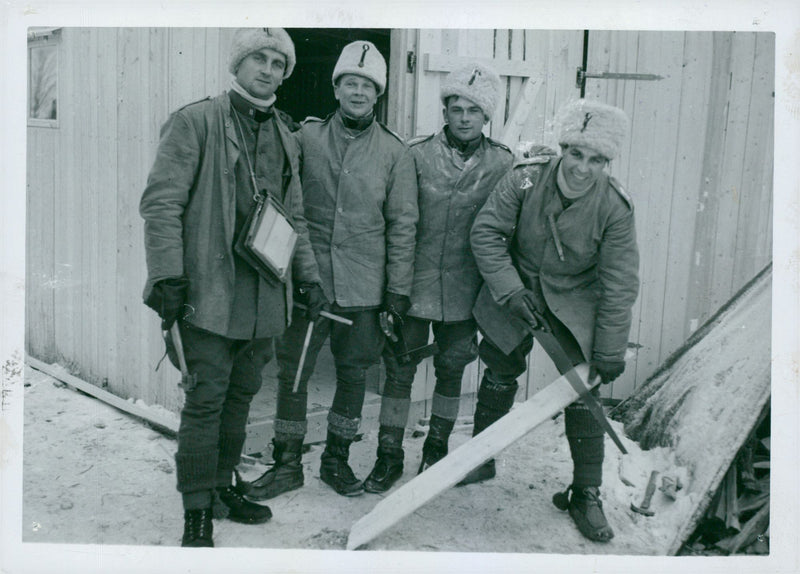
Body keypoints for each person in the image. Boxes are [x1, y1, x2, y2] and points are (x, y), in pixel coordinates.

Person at [140, 28, 325, 547]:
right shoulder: (194, 122)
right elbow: (161, 205)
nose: (268, 70)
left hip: (266, 295)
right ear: (238, 64)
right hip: (209, 293)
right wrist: (167, 276)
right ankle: (197, 509)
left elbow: (297, 218)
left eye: (277, 64)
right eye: (258, 59)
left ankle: (223, 486)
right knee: (205, 399)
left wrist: (308, 277)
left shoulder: (288, 137)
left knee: (241, 397)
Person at [243, 40, 418, 500]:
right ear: (336, 87)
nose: (358, 92)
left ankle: (336, 460)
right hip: (308, 280)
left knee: (354, 374)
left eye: (367, 86)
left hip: (366, 286)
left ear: (378, 94)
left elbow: (403, 227)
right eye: (350, 83)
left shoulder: (395, 153)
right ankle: (286, 464)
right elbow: (282, 200)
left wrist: (397, 293)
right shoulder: (306, 138)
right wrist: (296, 272)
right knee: (294, 373)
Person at [462, 99, 640, 543]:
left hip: (574, 297)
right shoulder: (525, 178)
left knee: (585, 385)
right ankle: (480, 457)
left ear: (607, 162)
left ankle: (585, 492)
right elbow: (486, 232)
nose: (583, 168)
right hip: (516, 285)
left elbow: (619, 281)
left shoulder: (615, 207)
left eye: (596, 159)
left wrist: (610, 349)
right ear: (563, 148)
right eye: (576, 154)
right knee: (500, 364)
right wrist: (509, 290)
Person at [360, 64, 513, 494]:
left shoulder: (503, 162)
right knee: (399, 369)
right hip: (414, 285)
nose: (464, 118)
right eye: (456, 108)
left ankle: (436, 450)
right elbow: (401, 225)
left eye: (474, 111)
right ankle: (388, 455)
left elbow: (504, 230)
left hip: (466, 293)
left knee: (451, 370)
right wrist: (396, 290)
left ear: (487, 117)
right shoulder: (416, 154)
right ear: (445, 111)